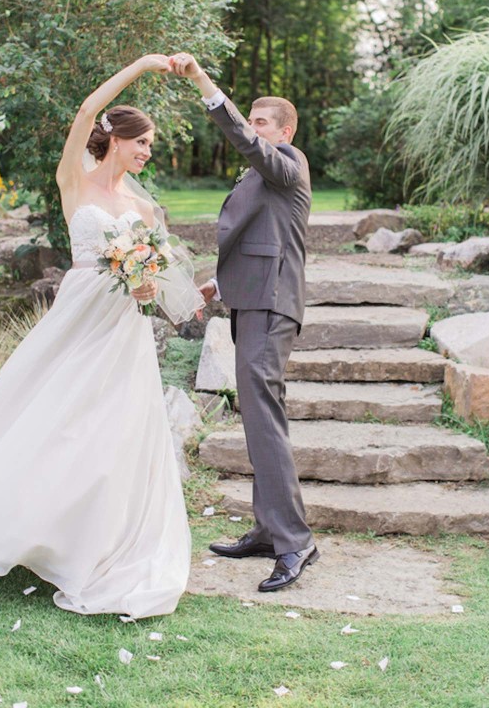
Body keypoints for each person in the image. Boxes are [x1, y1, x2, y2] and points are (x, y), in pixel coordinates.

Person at [0, 53, 203, 617]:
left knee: (115, 430)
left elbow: (161, 270)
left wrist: (150, 287)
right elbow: (85, 108)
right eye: (141, 142)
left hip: (123, 326)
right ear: (115, 139)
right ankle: (15, 521)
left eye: (150, 145)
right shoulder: (74, 180)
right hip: (78, 319)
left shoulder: (142, 203)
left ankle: (95, 542)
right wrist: (145, 65)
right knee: (49, 415)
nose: (147, 152)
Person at [169, 52, 318, 592]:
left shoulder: (288, 162)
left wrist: (205, 85)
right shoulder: (265, 177)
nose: (253, 130)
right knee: (257, 420)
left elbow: (250, 147)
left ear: (285, 130)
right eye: (250, 120)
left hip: (273, 306)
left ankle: (295, 542)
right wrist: (216, 284)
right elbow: (260, 241)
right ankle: (268, 530)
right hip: (251, 300)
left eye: (261, 123)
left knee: (266, 420)